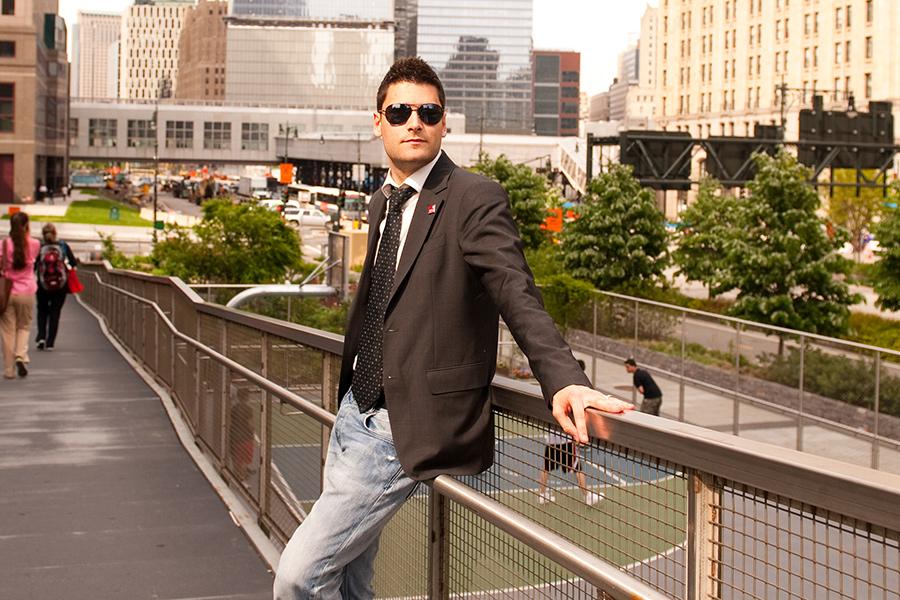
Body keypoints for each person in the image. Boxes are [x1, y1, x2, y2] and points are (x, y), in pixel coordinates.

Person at [272, 58, 633, 600]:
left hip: (405, 424)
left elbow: (517, 292)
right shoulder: (381, 202)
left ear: (444, 123)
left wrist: (563, 379)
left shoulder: (473, 197)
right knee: (348, 578)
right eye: (399, 111)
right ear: (379, 123)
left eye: (427, 111)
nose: (413, 121)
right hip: (353, 411)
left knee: (299, 577)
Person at [1, 212, 40, 379]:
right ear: (26, 225)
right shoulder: (35, 244)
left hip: (7, 291)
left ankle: (9, 371)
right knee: (24, 326)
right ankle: (20, 354)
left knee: (7, 331)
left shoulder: (4, 244)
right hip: (27, 291)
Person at [35, 223, 77, 351]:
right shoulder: (63, 245)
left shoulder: (39, 246)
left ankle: (41, 336)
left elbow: (34, 264)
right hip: (60, 285)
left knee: (42, 311)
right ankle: (50, 343)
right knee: (55, 312)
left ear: (43, 234)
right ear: (55, 233)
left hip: (43, 284)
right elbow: (73, 263)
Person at [537, 428, 603, 506]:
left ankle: (542, 495)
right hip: (566, 443)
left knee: (546, 468)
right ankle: (588, 496)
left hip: (552, 443)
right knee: (578, 470)